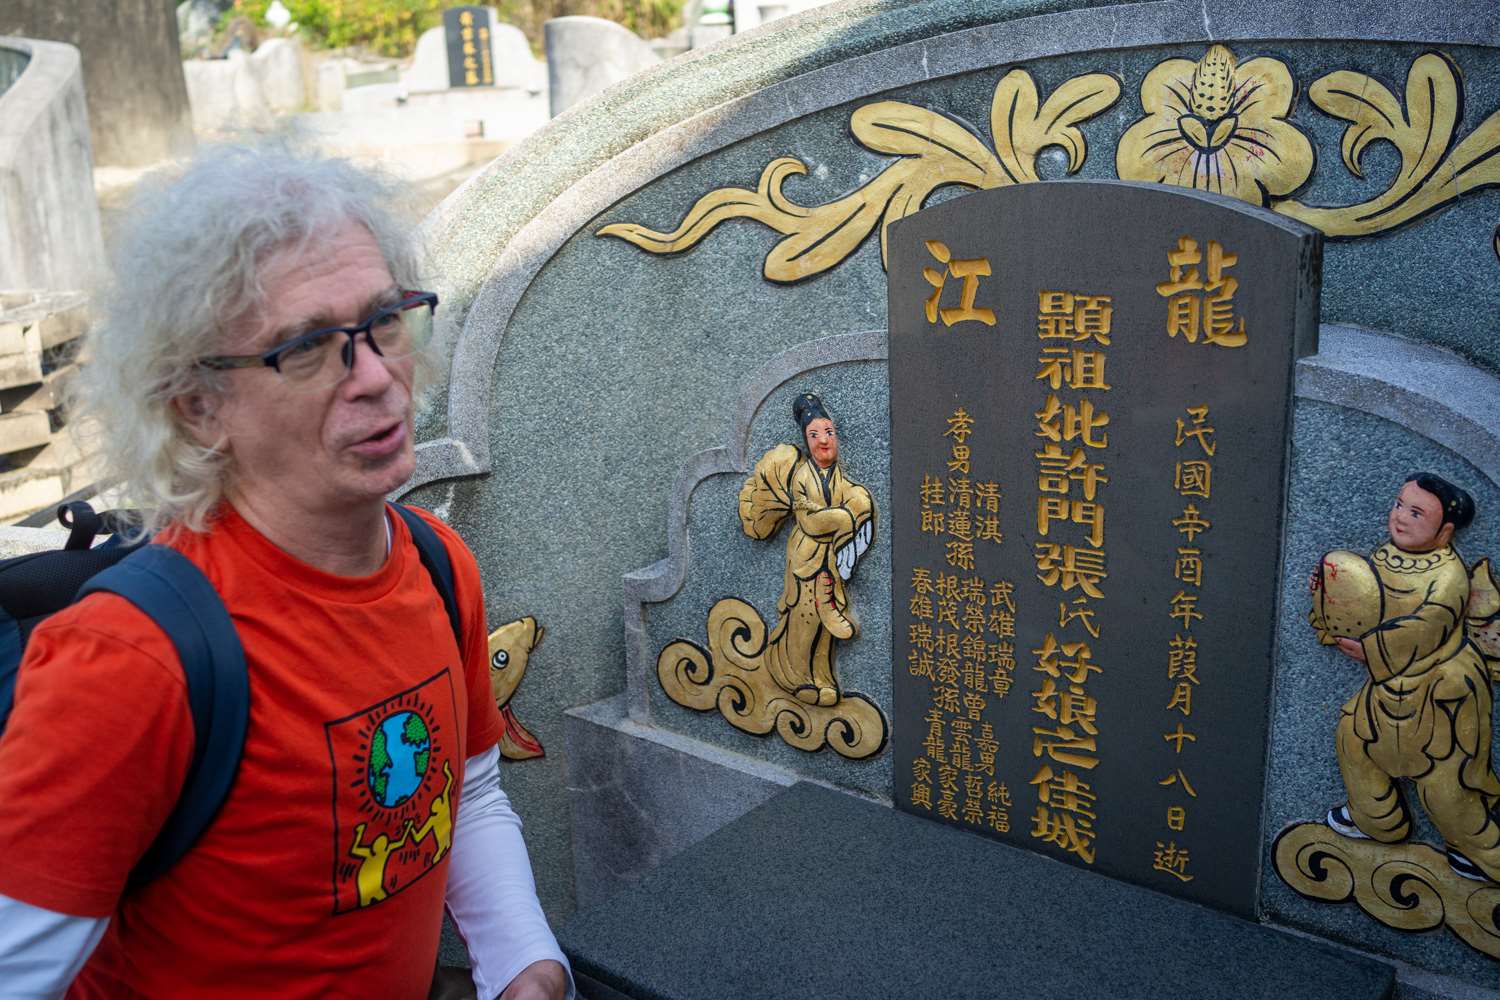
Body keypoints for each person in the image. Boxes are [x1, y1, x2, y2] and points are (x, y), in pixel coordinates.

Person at [0, 143, 572, 999]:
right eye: (306, 348)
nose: (377, 378)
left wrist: (523, 962)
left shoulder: (438, 564)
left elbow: (470, 796)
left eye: (385, 321)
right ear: (199, 407)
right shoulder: (128, 661)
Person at [1318, 472, 1500, 882]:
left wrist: (1373, 649)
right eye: (1399, 504)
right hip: (1385, 692)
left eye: (1416, 512)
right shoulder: (1384, 557)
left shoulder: (1449, 575)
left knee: (1445, 786)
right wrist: (1330, 594)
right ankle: (1376, 818)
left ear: (1444, 531)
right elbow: (1361, 597)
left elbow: (1427, 625)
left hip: (1438, 695)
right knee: (1353, 740)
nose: (1400, 517)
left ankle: (1480, 848)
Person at [746, 393, 873, 707]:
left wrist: (853, 508)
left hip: (829, 563)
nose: (824, 441)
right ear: (805, 440)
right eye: (815, 435)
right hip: (806, 561)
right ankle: (795, 676)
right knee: (805, 621)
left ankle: (824, 678)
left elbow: (857, 498)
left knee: (826, 630)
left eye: (829, 433)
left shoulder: (839, 478)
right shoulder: (802, 477)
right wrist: (846, 517)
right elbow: (810, 521)